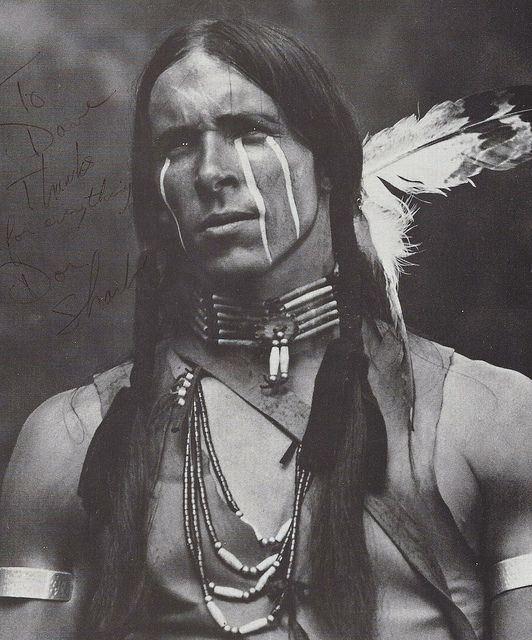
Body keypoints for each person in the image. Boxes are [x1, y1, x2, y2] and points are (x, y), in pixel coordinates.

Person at [0, 18, 531, 640]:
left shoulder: (491, 419)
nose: (210, 172)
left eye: (248, 131)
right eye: (175, 145)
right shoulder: (70, 443)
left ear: (330, 165)